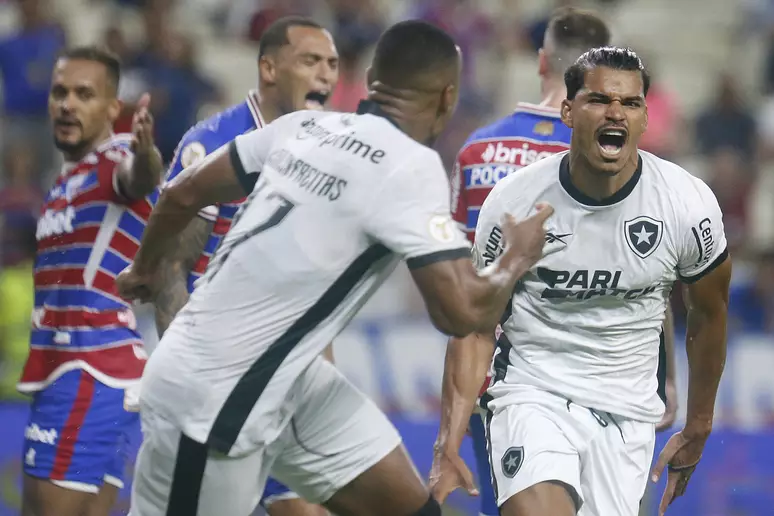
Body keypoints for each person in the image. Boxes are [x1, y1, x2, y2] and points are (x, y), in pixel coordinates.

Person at [116, 20, 553, 516]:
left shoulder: (303, 126)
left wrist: (143, 267)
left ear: (368, 80)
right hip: (209, 404)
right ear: (447, 98)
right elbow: (459, 313)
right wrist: (516, 257)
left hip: (291, 379)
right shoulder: (409, 165)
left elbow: (181, 192)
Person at [430, 46, 730, 516]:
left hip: (627, 414)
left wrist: (699, 423)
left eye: (630, 103)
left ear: (645, 118)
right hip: (532, 394)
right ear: (568, 112)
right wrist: (447, 440)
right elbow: (475, 326)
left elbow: (709, 314)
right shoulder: (514, 202)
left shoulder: (686, 205)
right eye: (599, 100)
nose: (616, 113)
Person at [152, 15, 339, 516]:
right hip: (217, 378)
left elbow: (315, 287)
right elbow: (171, 270)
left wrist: (323, 384)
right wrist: (189, 383)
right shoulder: (211, 144)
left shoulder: (329, 155)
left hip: (288, 377)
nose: (325, 74)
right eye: (310, 60)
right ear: (269, 69)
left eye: (332, 63)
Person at [17, 46, 163, 516]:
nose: (67, 104)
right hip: (76, 371)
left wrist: (146, 152)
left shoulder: (114, 159)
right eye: (60, 92)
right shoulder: (65, 180)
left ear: (112, 107)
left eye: (84, 94)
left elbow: (139, 176)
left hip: (90, 368)